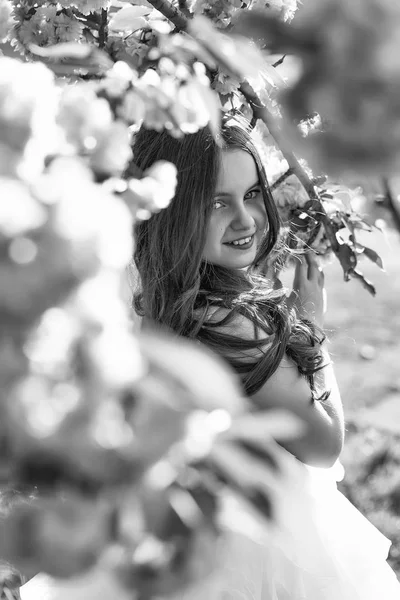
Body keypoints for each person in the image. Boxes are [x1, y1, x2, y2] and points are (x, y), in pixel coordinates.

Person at [131, 117, 400, 599]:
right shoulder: (224, 323)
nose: (246, 219)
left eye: (253, 193)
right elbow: (324, 446)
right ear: (172, 211)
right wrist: (312, 333)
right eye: (217, 203)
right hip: (263, 554)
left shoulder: (160, 304)